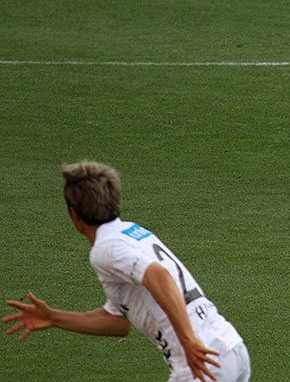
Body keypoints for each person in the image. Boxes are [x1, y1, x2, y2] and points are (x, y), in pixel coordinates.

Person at [3, 161, 250, 382]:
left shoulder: (106, 249)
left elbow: (159, 276)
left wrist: (188, 340)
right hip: (231, 349)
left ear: (73, 213)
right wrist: (54, 318)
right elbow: (119, 323)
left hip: (200, 362)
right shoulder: (131, 232)